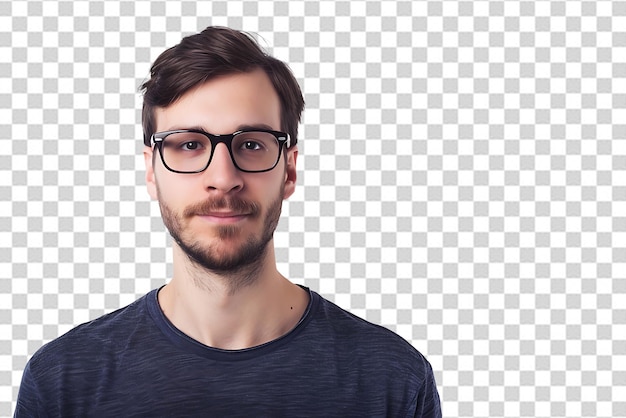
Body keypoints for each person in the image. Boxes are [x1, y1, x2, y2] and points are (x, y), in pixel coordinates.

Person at [15, 26, 441, 417]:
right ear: (152, 171)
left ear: (288, 170)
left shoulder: (394, 380)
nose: (222, 178)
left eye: (252, 144)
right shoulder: (63, 380)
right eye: (188, 145)